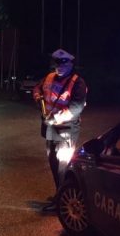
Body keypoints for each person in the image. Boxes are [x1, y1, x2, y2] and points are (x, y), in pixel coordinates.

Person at [33, 48, 87, 212]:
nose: (60, 67)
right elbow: (37, 88)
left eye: (64, 64)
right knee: (53, 162)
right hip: (51, 128)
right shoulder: (49, 77)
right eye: (57, 64)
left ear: (71, 64)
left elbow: (76, 107)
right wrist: (38, 97)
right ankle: (60, 194)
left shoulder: (78, 83)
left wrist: (56, 118)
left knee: (64, 166)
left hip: (66, 129)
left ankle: (64, 201)